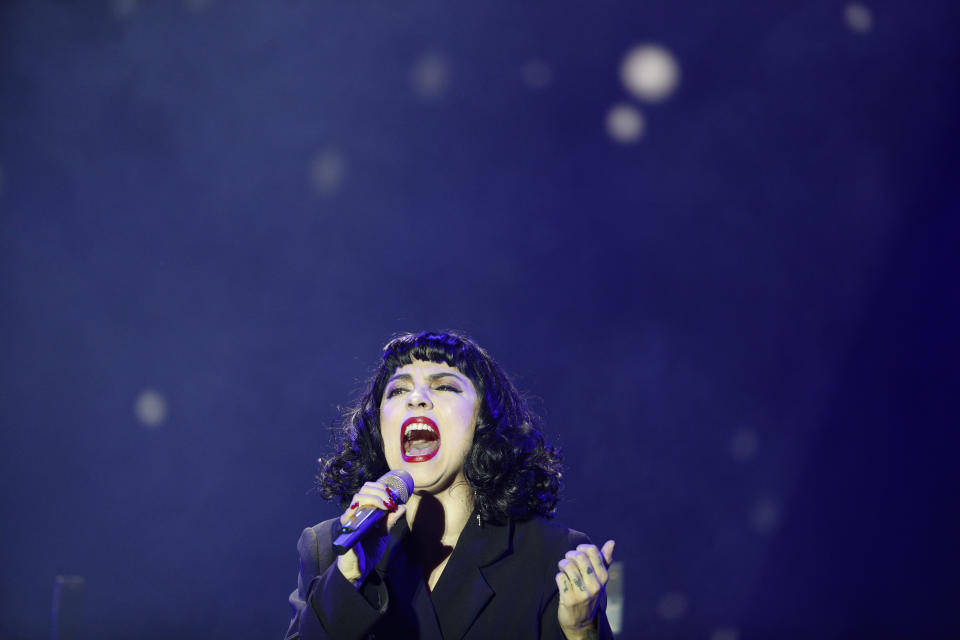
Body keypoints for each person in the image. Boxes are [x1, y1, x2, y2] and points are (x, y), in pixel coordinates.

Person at [286, 331, 615, 640]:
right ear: (379, 428)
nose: (416, 398)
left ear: (483, 420)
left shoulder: (549, 555)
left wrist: (582, 631)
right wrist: (347, 580)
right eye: (397, 390)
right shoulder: (329, 549)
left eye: (444, 386)